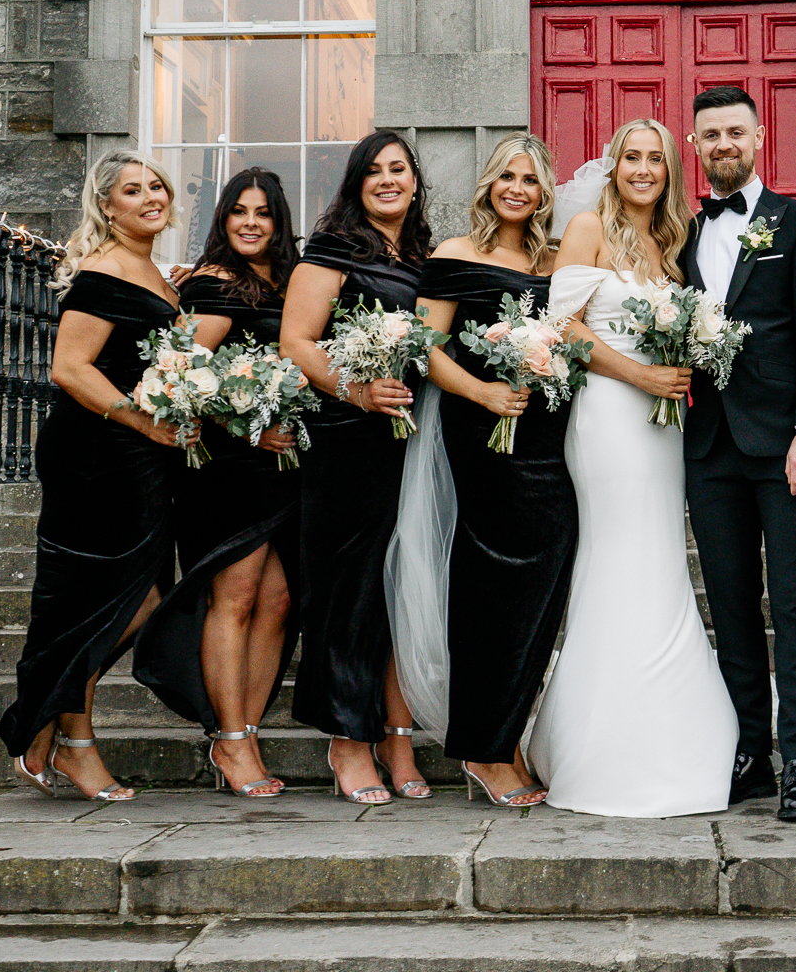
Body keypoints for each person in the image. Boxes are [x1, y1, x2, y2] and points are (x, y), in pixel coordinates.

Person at [529, 120, 740, 817]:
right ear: (613, 166)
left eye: (656, 159)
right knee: (617, 555)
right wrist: (642, 378)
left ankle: (669, 729)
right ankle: (603, 748)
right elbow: (567, 326)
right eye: (632, 157)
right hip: (609, 416)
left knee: (658, 558)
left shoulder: (672, 243)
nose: (643, 169)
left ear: (670, 171)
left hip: (663, 429)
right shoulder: (589, 227)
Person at [0, 151, 187, 803]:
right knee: (98, 600)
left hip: (140, 456)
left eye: (156, 186)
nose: (149, 197)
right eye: (133, 190)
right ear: (107, 207)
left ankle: (45, 718)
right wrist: (141, 420)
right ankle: (74, 743)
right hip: (97, 454)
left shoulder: (155, 274)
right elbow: (69, 368)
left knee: (145, 597)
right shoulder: (102, 272)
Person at [680, 85, 796, 822]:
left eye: (734, 132)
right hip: (710, 446)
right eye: (710, 134)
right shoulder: (683, 237)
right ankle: (750, 751)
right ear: (696, 146)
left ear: (758, 139)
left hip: (784, 449)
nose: (723, 145)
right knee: (733, 606)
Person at [412, 135, 578, 808]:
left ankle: (509, 736)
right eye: (507, 175)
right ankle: (484, 748)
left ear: (544, 194)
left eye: (531, 180)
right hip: (483, 432)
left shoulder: (557, 259)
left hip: (545, 436)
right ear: (488, 184)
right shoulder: (454, 255)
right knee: (489, 590)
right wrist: (480, 392)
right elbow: (424, 346)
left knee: (542, 588)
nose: (517, 188)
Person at [132, 168, 304, 799]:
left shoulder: (286, 286)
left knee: (279, 602)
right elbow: (174, 381)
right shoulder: (212, 285)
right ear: (223, 220)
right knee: (233, 599)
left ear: (280, 223)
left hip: (284, 469)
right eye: (239, 211)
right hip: (229, 469)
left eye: (264, 212)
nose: (251, 222)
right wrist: (247, 430)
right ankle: (229, 742)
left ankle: (248, 730)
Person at [279, 131, 433, 805]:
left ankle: (398, 735)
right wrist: (357, 390)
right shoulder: (332, 250)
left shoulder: (426, 256)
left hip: (414, 439)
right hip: (346, 439)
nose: (388, 180)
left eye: (399, 170)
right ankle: (348, 739)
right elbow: (296, 341)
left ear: (415, 181)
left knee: (403, 590)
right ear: (355, 184)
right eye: (374, 172)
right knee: (352, 592)